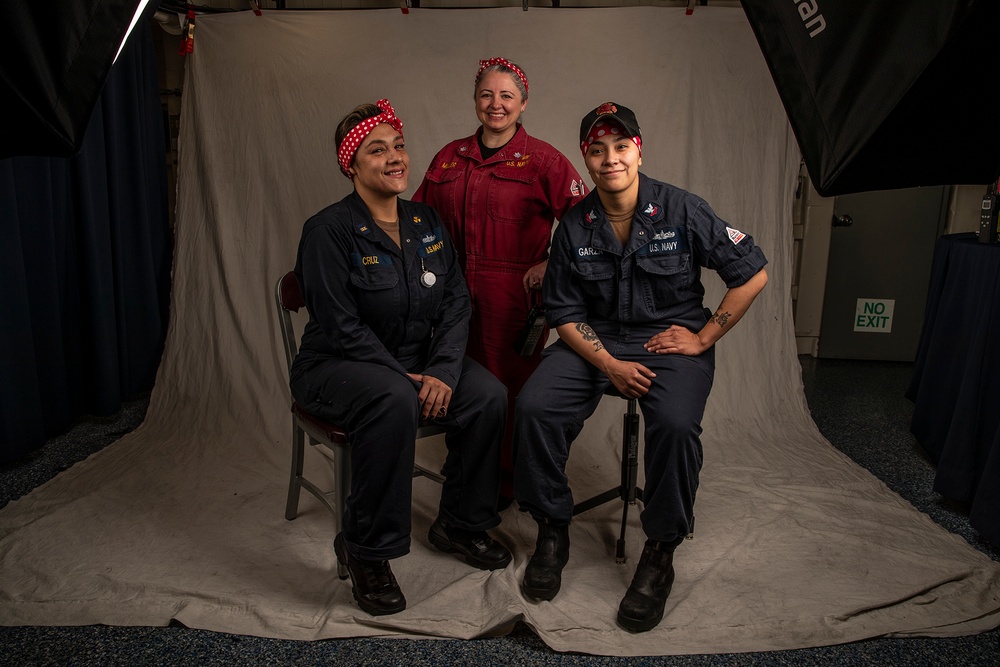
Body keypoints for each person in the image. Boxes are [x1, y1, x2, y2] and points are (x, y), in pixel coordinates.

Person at [512, 102, 769, 633]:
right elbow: (563, 311)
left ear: (638, 149)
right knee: (534, 407)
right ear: (585, 157)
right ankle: (552, 527)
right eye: (598, 149)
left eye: (621, 147)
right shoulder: (575, 224)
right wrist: (608, 364)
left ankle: (660, 550)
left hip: (667, 337)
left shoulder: (681, 208)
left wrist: (703, 337)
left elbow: (752, 273)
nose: (611, 159)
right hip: (595, 341)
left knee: (675, 426)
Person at [290, 99, 512, 617]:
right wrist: (405, 377)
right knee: (392, 398)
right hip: (336, 367)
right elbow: (341, 326)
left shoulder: (425, 220)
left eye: (399, 146)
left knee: (488, 396)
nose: (394, 158)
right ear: (351, 164)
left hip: (417, 362)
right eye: (376, 149)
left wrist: (441, 370)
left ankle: (460, 522)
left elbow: (457, 301)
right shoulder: (327, 230)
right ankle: (366, 550)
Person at [413, 57, 587, 503]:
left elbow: (587, 221)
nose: (496, 104)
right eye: (487, 95)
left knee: (507, 391)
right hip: (450, 295)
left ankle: (502, 488)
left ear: (523, 102)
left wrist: (552, 265)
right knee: (459, 382)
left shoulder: (544, 160)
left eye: (506, 95)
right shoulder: (449, 157)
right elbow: (416, 219)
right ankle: (467, 478)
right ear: (475, 100)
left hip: (511, 299)